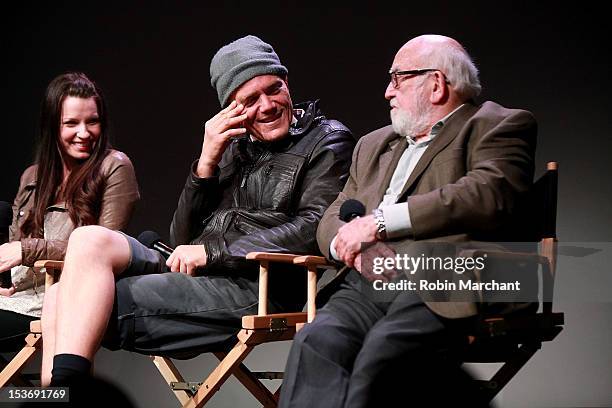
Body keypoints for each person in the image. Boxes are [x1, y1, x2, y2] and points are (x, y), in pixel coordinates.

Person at [39, 35, 354, 387]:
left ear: (287, 83)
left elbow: (315, 226)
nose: (267, 105)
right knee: (84, 245)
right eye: (250, 100)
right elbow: (182, 240)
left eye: (274, 89)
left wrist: (213, 252)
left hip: (259, 286)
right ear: (231, 108)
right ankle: (60, 395)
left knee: (74, 304)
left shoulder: (326, 140)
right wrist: (206, 163)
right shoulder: (235, 148)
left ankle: (65, 394)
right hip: (206, 274)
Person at [278, 34, 537, 407]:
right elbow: (333, 215)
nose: (387, 91)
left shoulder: (498, 125)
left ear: (436, 84)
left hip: (450, 273)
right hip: (369, 282)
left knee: (384, 356)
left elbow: (489, 192)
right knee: (316, 342)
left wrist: (380, 222)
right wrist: (351, 245)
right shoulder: (373, 145)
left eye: (398, 78)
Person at [0, 72, 140, 352]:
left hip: (60, 297)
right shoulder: (32, 176)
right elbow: (12, 250)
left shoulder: (114, 166)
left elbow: (102, 248)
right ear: (52, 126)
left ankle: (59, 396)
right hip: (16, 294)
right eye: (71, 123)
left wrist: (27, 250)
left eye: (93, 121)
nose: (84, 133)